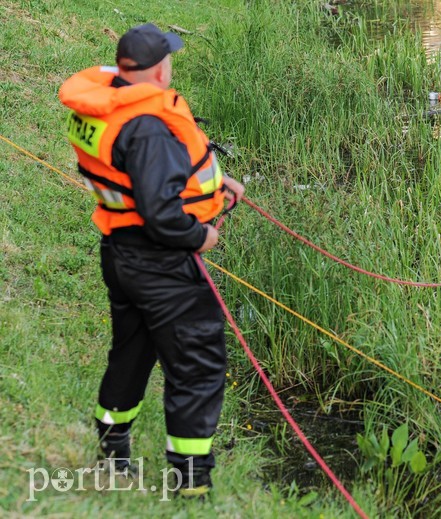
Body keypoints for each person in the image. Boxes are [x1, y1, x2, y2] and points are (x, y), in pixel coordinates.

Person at [58, 23, 244, 498]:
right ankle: (191, 485)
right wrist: (199, 235)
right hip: (160, 261)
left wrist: (219, 187)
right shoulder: (147, 127)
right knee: (198, 362)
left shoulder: (110, 106)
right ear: (159, 69)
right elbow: (162, 212)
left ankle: (112, 444)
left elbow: (149, 178)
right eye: (170, 60)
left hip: (121, 250)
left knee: (133, 349)